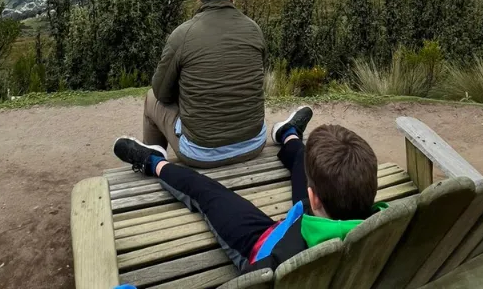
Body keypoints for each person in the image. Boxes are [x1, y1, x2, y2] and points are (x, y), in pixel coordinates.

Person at [113, 106, 387, 276]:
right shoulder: (386, 229)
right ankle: (289, 134)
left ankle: (152, 162)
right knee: (306, 164)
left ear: (313, 198)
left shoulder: (272, 268)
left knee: (206, 191)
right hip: (307, 225)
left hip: (262, 244)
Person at [144, 0, 267, 169]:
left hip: (201, 154)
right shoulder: (254, 29)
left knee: (151, 98)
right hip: (253, 143)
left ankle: (152, 163)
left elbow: (161, 93)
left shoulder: (182, 34)